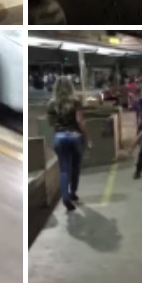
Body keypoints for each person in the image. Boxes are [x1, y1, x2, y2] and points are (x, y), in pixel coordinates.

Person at [48, 76, 90, 212]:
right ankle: (73, 192)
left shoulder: (51, 104)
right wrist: (87, 138)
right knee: (76, 166)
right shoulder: (75, 102)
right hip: (75, 137)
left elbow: (50, 123)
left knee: (64, 169)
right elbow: (80, 121)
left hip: (59, 138)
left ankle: (65, 196)